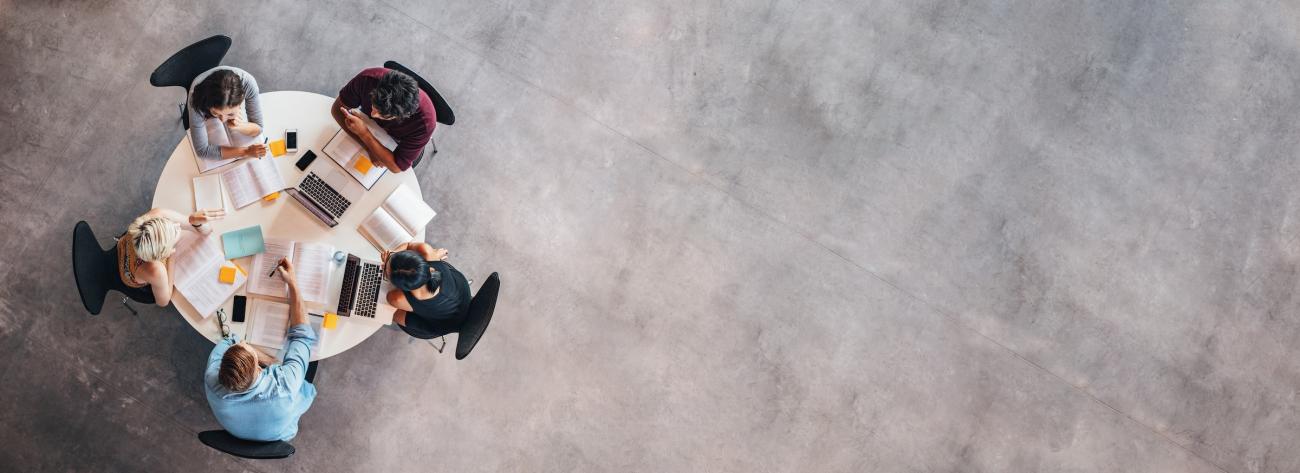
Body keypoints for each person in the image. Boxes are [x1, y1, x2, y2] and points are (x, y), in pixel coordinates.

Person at [205, 258, 317, 442]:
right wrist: (292, 282)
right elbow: (303, 335)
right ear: (259, 367)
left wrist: (248, 350)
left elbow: (230, 340)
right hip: (279, 434)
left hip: (237, 431)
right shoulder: (285, 386)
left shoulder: (212, 377)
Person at [330, 67, 437, 173]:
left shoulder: (425, 124)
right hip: (371, 129)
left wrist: (364, 134)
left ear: (404, 115)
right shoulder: (367, 78)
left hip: (396, 143)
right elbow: (336, 109)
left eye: (383, 115)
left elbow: (396, 167)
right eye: (373, 105)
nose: (373, 114)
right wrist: (369, 148)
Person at [118, 208, 224, 307]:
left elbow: (206, 231)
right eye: (174, 233)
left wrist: (196, 223)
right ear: (165, 254)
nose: (177, 225)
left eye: (170, 224)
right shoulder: (156, 270)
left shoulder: (157, 214)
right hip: (129, 277)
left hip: (126, 247)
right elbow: (163, 302)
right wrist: (172, 256)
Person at [383, 242, 470, 338]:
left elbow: (394, 313)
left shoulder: (396, 298)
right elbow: (408, 245)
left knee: (390, 313)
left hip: (441, 325)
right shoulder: (425, 250)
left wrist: (389, 267)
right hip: (462, 292)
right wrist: (391, 255)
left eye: (385, 272)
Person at [189, 67, 267, 159]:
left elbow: (258, 128)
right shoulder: (196, 100)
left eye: (230, 114)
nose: (223, 120)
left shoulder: (248, 84)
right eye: (216, 113)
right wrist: (246, 151)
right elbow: (202, 151)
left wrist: (239, 126)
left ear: (242, 99)